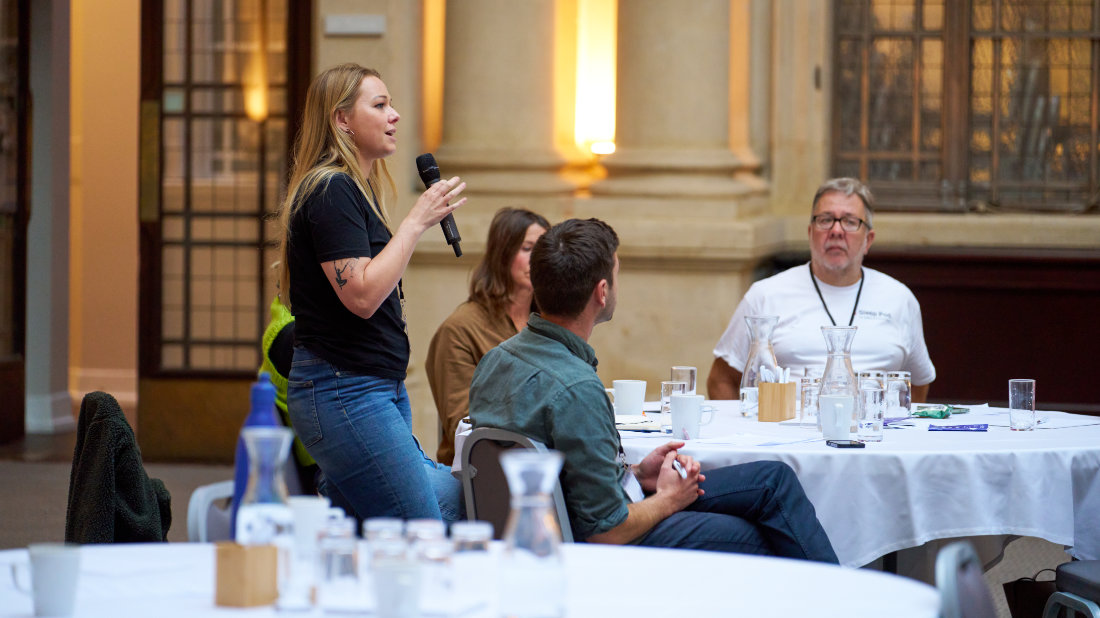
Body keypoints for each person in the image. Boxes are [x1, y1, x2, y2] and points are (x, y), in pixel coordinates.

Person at [468, 218, 837, 561]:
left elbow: (565, 466)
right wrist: (668, 499)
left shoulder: (495, 360)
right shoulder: (576, 388)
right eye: (616, 275)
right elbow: (607, 531)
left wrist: (635, 471)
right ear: (602, 292)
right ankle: (841, 597)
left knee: (773, 481)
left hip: (549, 520)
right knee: (761, 533)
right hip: (592, 542)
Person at [277, 63, 466, 522]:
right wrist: (416, 222)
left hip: (374, 387)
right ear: (342, 119)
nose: (394, 115)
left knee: (457, 502)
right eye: (379, 106)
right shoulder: (330, 189)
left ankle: (340, 505)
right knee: (423, 527)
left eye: (391, 104)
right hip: (345, 390)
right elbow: (360, 297)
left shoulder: (354, 188)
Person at [708, 178, 935, 402]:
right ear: (810, 233)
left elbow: (918, 382)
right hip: (787, 425)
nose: (836, 230)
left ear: (868, 239)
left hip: (873, 425)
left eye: (850, 221)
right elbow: (721, 380)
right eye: (825, 220)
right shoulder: (764, 296)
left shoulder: (899, 299)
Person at [426, 207, 550, 465]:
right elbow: (463, 425)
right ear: (502, 255)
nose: (538, 259)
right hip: (480, 472)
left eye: (544, 250)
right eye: (528, 248)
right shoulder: (459, 329)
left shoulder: (548, 324)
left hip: (546, 461)